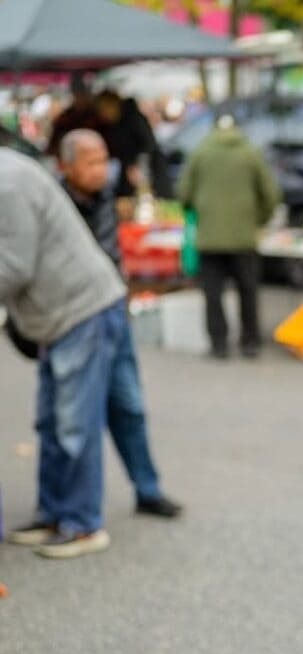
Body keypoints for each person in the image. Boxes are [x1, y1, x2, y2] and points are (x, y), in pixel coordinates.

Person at [0, 148, 129, 558]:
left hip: (81, 309)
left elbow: (14, 265)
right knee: (51, 423)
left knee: (74, 425)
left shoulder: (8, 184)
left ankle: (83, 524)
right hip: (58, 316)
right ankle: (54, 515)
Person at [58, 128, 182, 520]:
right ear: (66, 166)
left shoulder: (107, 193)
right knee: (74, 419)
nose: (100, 170)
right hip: (75, 319)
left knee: (129, 406)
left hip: (113, 311)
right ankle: (70, 511)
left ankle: (148, 489)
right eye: (90, 162)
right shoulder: (56, 204)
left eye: (103, 160)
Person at [177, 116, 282, 359]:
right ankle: (250, 342)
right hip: (243, 236)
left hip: (209, 237)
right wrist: (259, 219)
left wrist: (201, 213)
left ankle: (219, 344)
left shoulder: (200, 152)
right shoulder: (250, 153)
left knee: (213, 293)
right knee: (248, 290)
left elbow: (184, 194)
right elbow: (271, 193)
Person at [94, 89, 170, 199]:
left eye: (103, 110)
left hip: (145, 171)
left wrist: (137, 165)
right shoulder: (118, 122)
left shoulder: (132, 118)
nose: (102, 115)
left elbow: (148, 145)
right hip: (132, 170)